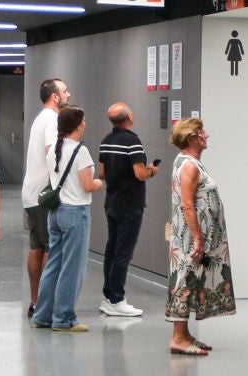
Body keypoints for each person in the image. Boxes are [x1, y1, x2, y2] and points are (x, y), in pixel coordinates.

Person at [165, 116, 234, 354]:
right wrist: (198, 238)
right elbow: (187, 204)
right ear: (192, 137)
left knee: (191, 280)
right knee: (185, 281)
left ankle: (184, 335)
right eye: (202, 132)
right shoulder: (190, 166)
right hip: (190, 240)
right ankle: (177, 338)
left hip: (193, 237)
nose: (206, 135)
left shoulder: (190, 162)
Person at [32, 105, 103, 333]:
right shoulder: (80, 151)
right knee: (72, 268)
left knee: (54, 264)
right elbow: (87, 185)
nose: (85, 124)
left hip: (56, 212)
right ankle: (63, 318)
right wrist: (100, 182)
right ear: (77, 124)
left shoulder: (54, 149)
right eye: (83, 120)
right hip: (75, 213)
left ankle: (42, 315)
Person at [97, 103, 157, 317]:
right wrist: (152, 171)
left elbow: (102, 173)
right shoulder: (133, 141)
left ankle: (107, 296)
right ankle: (117, 299)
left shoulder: (106, 141)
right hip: (130, 204)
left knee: (112, 250)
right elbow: (140, 174)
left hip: (111, 202)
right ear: (129, 117)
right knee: (124, 252)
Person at [18, 77, 71, 316]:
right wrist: (62, 185)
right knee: (52, 247)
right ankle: (46, 303)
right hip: (44, 195)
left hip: (31, 193)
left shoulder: (40, 119)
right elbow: (52, 154)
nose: (69, 95)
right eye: (65, 91)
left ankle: (36, 300)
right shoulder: (52, 119)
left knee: (37, 245)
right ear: (55, 96)